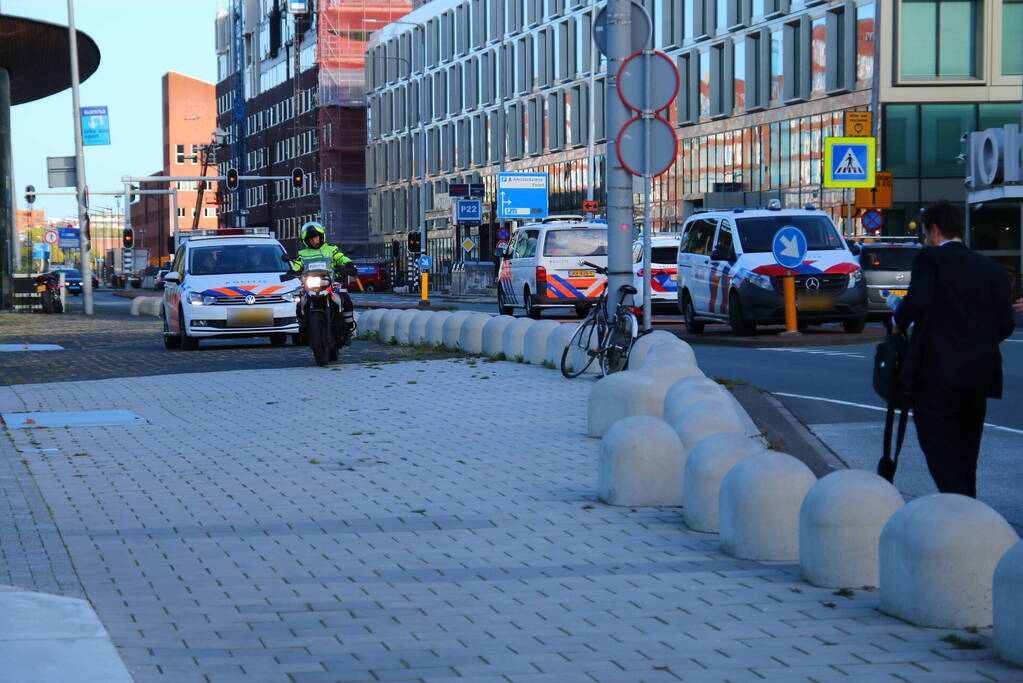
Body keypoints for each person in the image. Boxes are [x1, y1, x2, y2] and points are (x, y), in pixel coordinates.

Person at [893, 200, 1015, 497]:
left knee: (938, 446)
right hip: (979, 372)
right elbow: (1005, 325)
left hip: (936, 372)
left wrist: (898, 312)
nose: (925, 239)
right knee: (967, 448)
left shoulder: (931, 259)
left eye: (925, 233)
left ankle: (957, 510)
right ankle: (968, 506)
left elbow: (917, 302)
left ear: (934, 230)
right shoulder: (993, 270)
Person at [291, 221, 356, 343]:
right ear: (306, 240)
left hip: (330, 281)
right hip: (310, 283)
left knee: (345, 298)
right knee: (299, 303)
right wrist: (291, 270)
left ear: (321, 236)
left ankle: (348, 328)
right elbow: (298, 264)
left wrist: (349, 264)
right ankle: (303, 328)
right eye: (311, 238)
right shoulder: (303, 253)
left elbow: (340, 257)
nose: (314, 240)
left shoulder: (331, 249)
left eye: (316, 237)